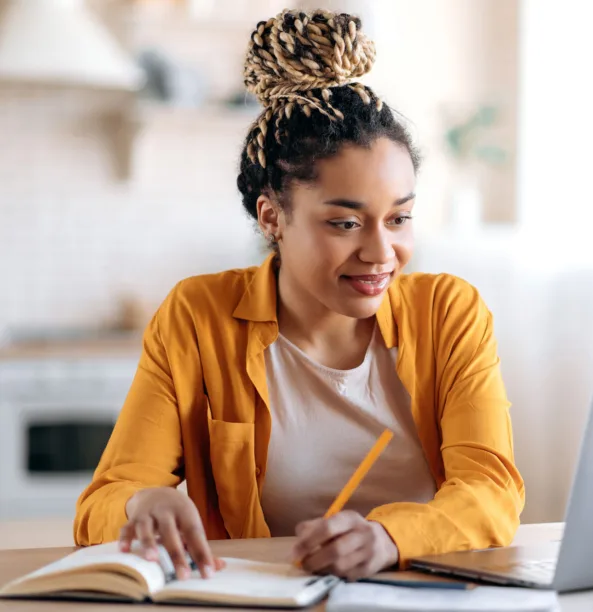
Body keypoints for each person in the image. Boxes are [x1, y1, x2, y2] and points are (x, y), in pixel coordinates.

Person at [74, 8, 524, 582]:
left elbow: (493, 491)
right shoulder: (198, 317)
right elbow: (101, 504)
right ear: (273, 217)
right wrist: (140, 504)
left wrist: (389, 538)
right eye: (344, 223)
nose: (381, 252)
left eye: (400, 218)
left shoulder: (449, 313)